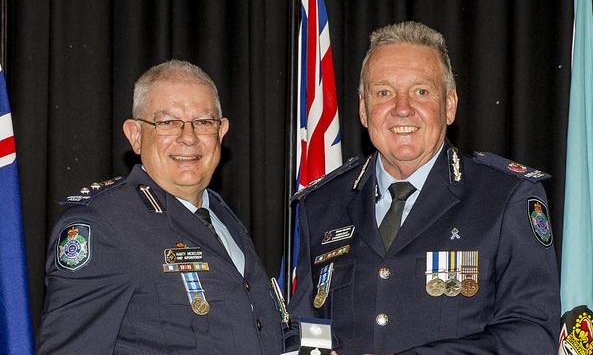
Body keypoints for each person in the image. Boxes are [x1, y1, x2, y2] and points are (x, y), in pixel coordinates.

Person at [287, 21, 560, 354]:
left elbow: (530, 336)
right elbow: (305, 330)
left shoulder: (505, 197)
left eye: (421, 91)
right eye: (384, 92)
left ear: (449, 105)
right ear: (363, 109)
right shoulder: (322, 205)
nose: (402, 108)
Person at [39, 60, 285, 354]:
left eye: (204, 122)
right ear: (135, 135)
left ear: (221, 131)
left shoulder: (222, 218)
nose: (189, 137)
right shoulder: (105, 226)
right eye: (168, 122)